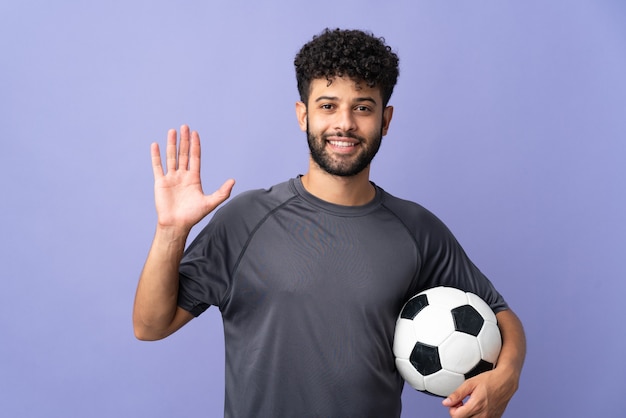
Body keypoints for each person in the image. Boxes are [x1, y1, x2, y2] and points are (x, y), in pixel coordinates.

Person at [133, 28, 526, 418]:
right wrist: (171, 232)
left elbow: (500, 314)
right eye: (327, 106)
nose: (345, 124)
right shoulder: (245, 220)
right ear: (303, 114)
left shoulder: (417, 230)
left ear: (385, 119)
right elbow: (150, 326)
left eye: (363, 107)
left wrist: (507, 375)